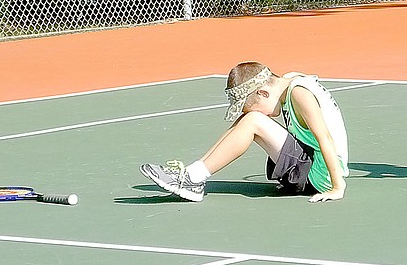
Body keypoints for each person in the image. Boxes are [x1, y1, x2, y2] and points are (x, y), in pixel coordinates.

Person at [140, 62, 349, 203]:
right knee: (249, 120)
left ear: (263, 92)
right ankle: (193, 173)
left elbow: (325, 138)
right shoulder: (289, 81)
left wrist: (337, 187)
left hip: (321, 177)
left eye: (252, 104)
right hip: (313, 165)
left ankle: (194, 179)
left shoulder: (300, 94)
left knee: (253, 121)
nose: (255, 111)